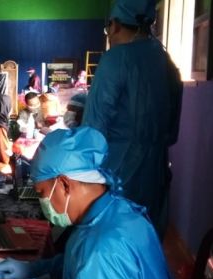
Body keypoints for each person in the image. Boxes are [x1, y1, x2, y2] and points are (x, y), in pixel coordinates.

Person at [0, 127, 180, 279]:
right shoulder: (112, 211)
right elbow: (76, 265)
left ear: (65, 184)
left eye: (42, 192)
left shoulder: (102, 251)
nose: (41, 201)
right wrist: (33, 269)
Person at [83, 0, 182, 237]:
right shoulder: (167, 64)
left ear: (115, 25)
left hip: (116, 174)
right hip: (155, 174)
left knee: (110, 244)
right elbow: (172, 133)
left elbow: (93, 130)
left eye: (108, 29)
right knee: (144, 241)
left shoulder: (115, 59)